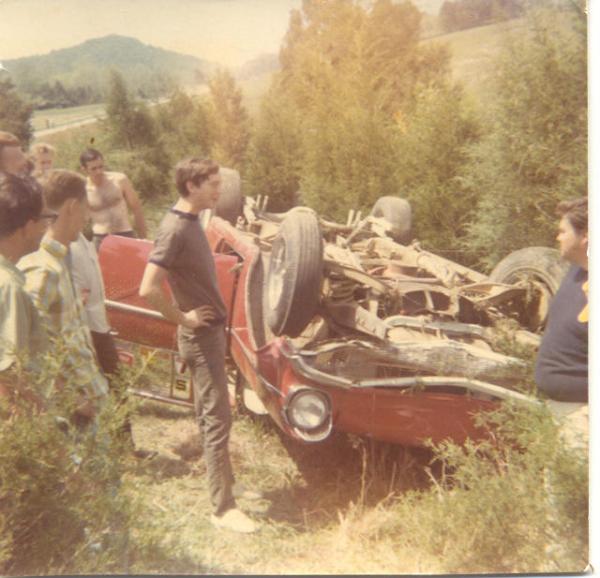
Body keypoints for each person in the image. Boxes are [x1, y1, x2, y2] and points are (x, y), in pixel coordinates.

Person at [139, 158, 257, 533]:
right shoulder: (175, 229)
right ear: (191, 186)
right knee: (216, 418)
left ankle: (224, 490)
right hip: (200, 336)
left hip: (208, 334)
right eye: (212, 183)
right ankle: (222, 508)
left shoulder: (192, 222)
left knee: (216, 414)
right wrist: (184, 318)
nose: (219, 190)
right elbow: (148, 288)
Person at [18, 170, 108, 425]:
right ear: (71, 207)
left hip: (85, 411)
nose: (87, 217)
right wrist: (72, 398)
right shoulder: (44, 270)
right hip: (74, 417)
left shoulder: (58, 261)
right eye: (85, 208)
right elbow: (22, 347)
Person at [534, 197, 588, 448]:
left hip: (583, 418)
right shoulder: (577, 271)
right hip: (558, 412)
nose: (558, 238)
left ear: (586, 236)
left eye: (563, 231)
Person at [0, 173, 48, 384]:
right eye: (44, 220)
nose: (45, 229)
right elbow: (10, 376)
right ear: (29, 226)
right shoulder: (10, 286)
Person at [79, 148, 147, 249]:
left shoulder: (119, 180)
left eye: (101, 166)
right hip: (100, 239)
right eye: (94, 168)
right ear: (84, 169)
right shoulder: (82, 189)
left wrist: (143, 238)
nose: (99, 171)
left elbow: (136, 208)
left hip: (125, 234)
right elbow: (80, 221)